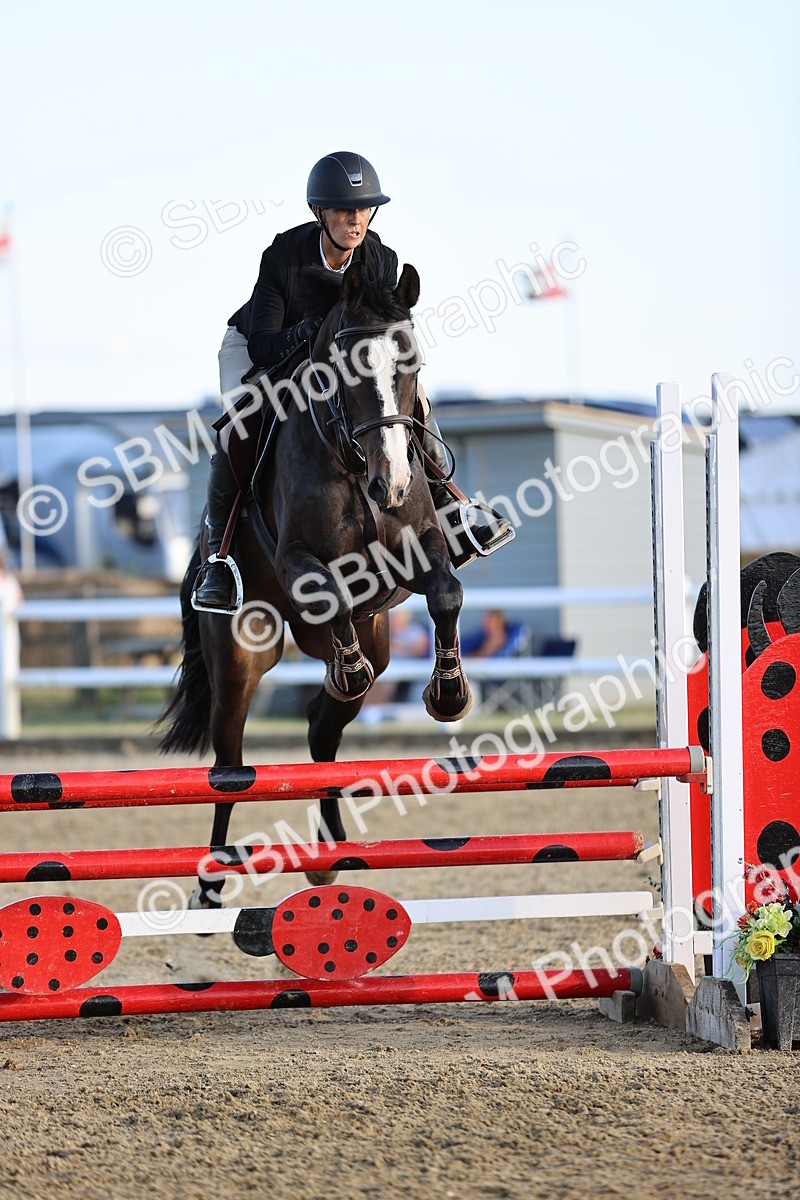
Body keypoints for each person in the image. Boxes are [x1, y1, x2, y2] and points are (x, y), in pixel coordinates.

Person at [193, 151, 514, 611]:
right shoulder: (284, 256)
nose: (356, 219)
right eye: (345, 210)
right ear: (319, 213)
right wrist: (306, 333)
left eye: (364, 209)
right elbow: (263, 344)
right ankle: (219, 561)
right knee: (241, 425)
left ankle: (454, 509)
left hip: (343, 357)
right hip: (259, 348)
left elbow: (387, 331)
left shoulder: (380, 258)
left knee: (413, 401)